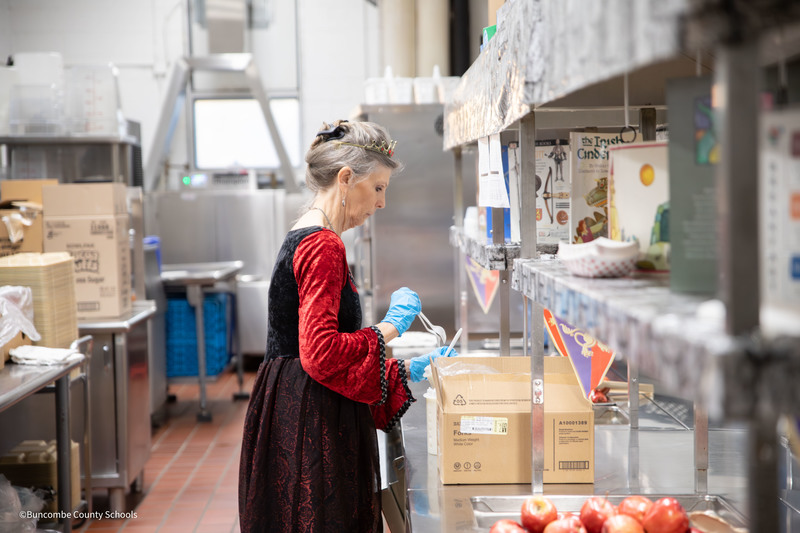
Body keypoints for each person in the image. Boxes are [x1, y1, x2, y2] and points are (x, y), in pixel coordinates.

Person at [238, 119, 458, 532]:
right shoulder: (324, 245)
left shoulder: (303, 233)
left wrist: (403, 370)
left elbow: (319, 350)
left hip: (291, 401)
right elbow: (321, 355)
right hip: (313, 420)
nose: (381, 204)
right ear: (345, 178)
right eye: (377, 188)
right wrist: (391, 328)